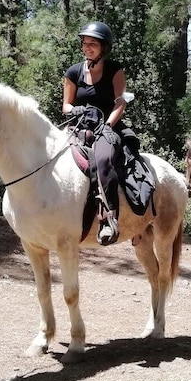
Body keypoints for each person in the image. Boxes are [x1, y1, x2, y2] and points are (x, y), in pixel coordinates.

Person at [63, 21, 131, 246]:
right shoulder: (73, 72)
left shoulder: (115, 69)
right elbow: (65, 105)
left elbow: (120, 102)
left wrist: (108, 126)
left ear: (104, 47)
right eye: (84, 43)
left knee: (103, 159)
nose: (87, 47)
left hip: (106, 127)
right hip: (79, 126)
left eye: (92, 43)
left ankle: (107, 218)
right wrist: (76, 110)